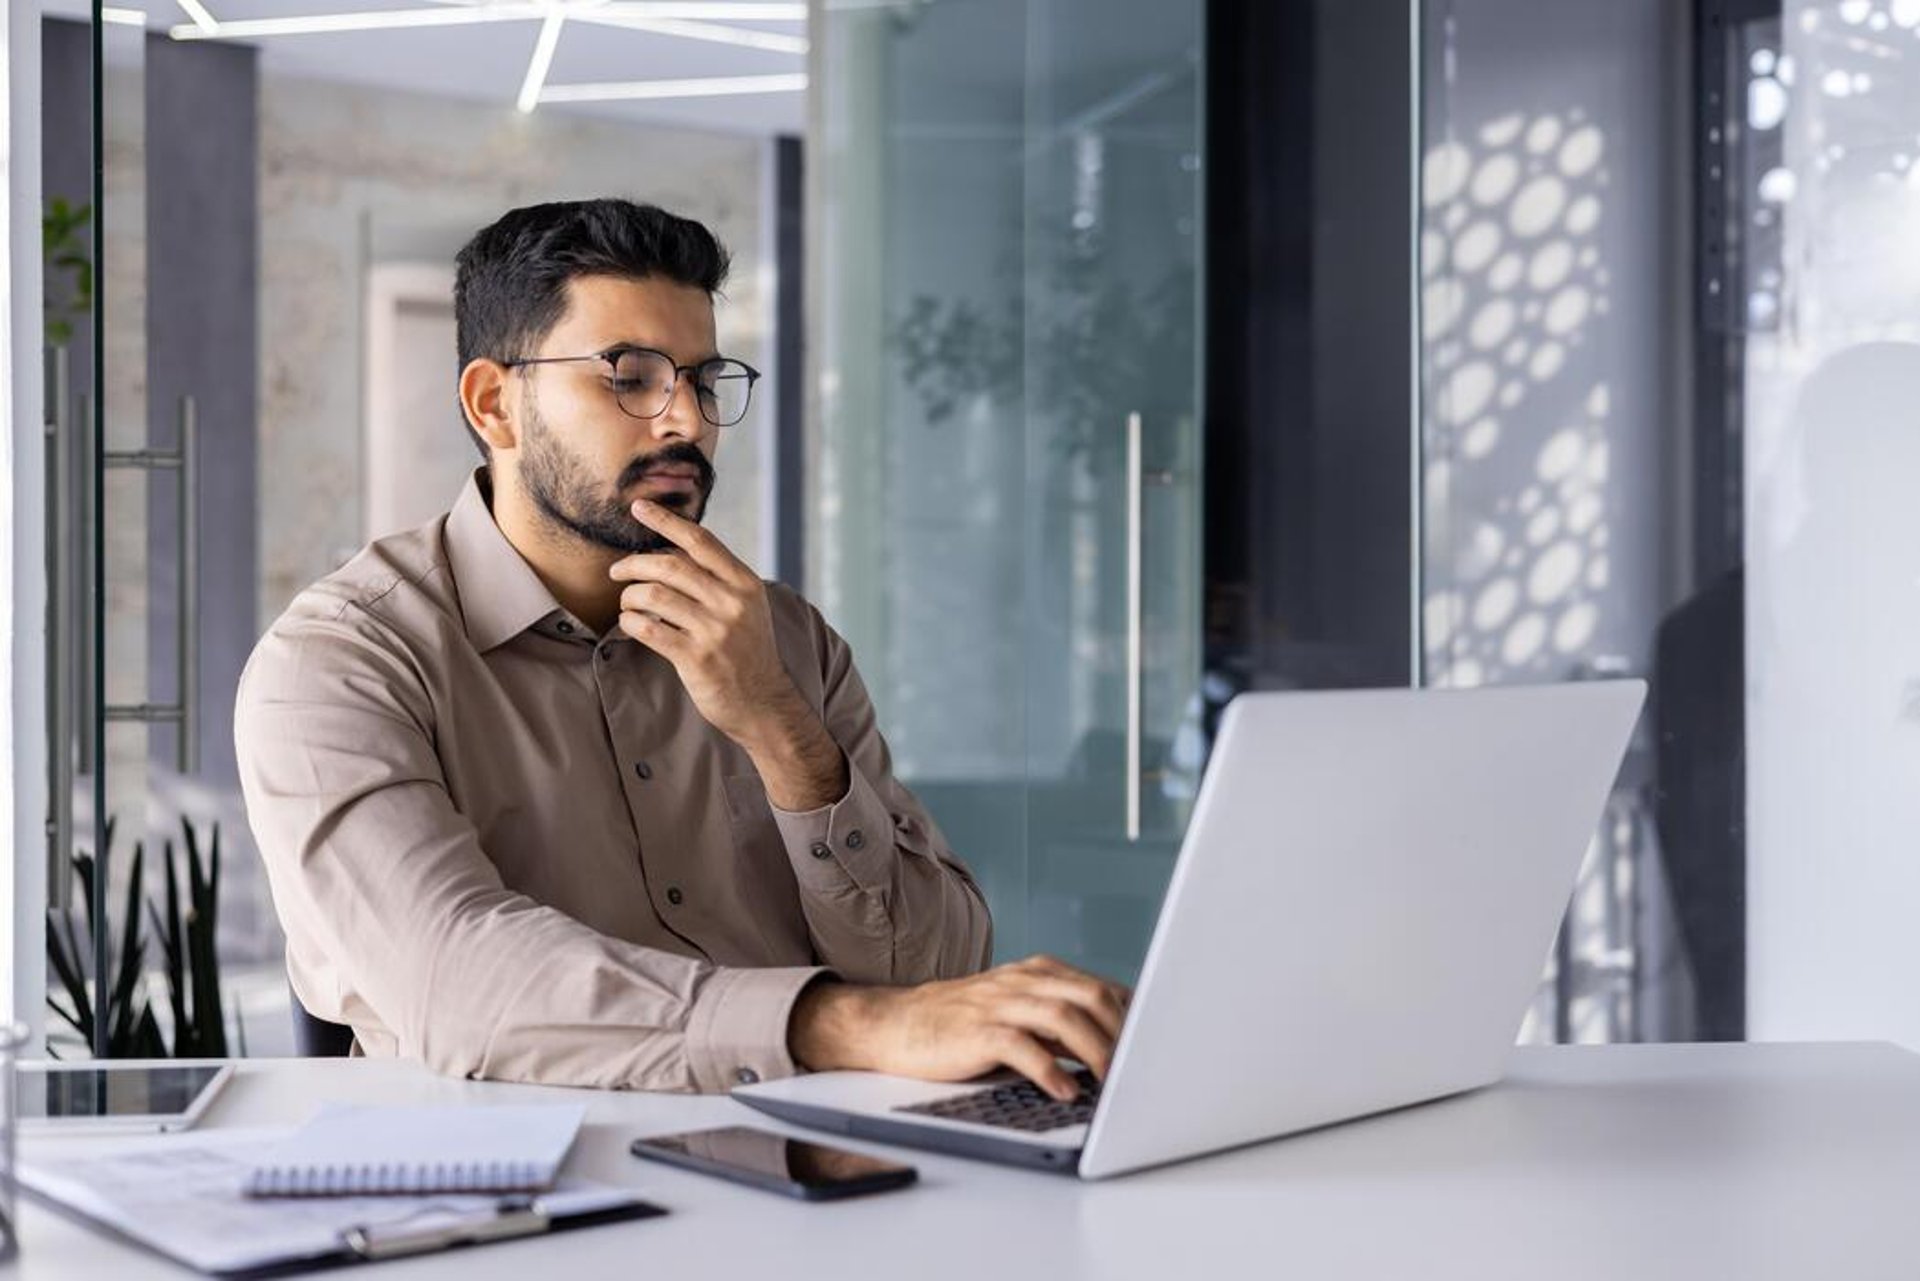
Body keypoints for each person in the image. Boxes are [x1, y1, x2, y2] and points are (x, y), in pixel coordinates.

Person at [236, 198, 1127, 1101]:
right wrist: (838, 1024)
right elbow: (453, 980)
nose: (688, 423)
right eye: (630, 378)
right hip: (514, 1169)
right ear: (495, 405)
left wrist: (781, 728)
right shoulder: (338, 663)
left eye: (703, 381)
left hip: (816, 1150)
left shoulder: (785, 641)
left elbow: (932, 979)